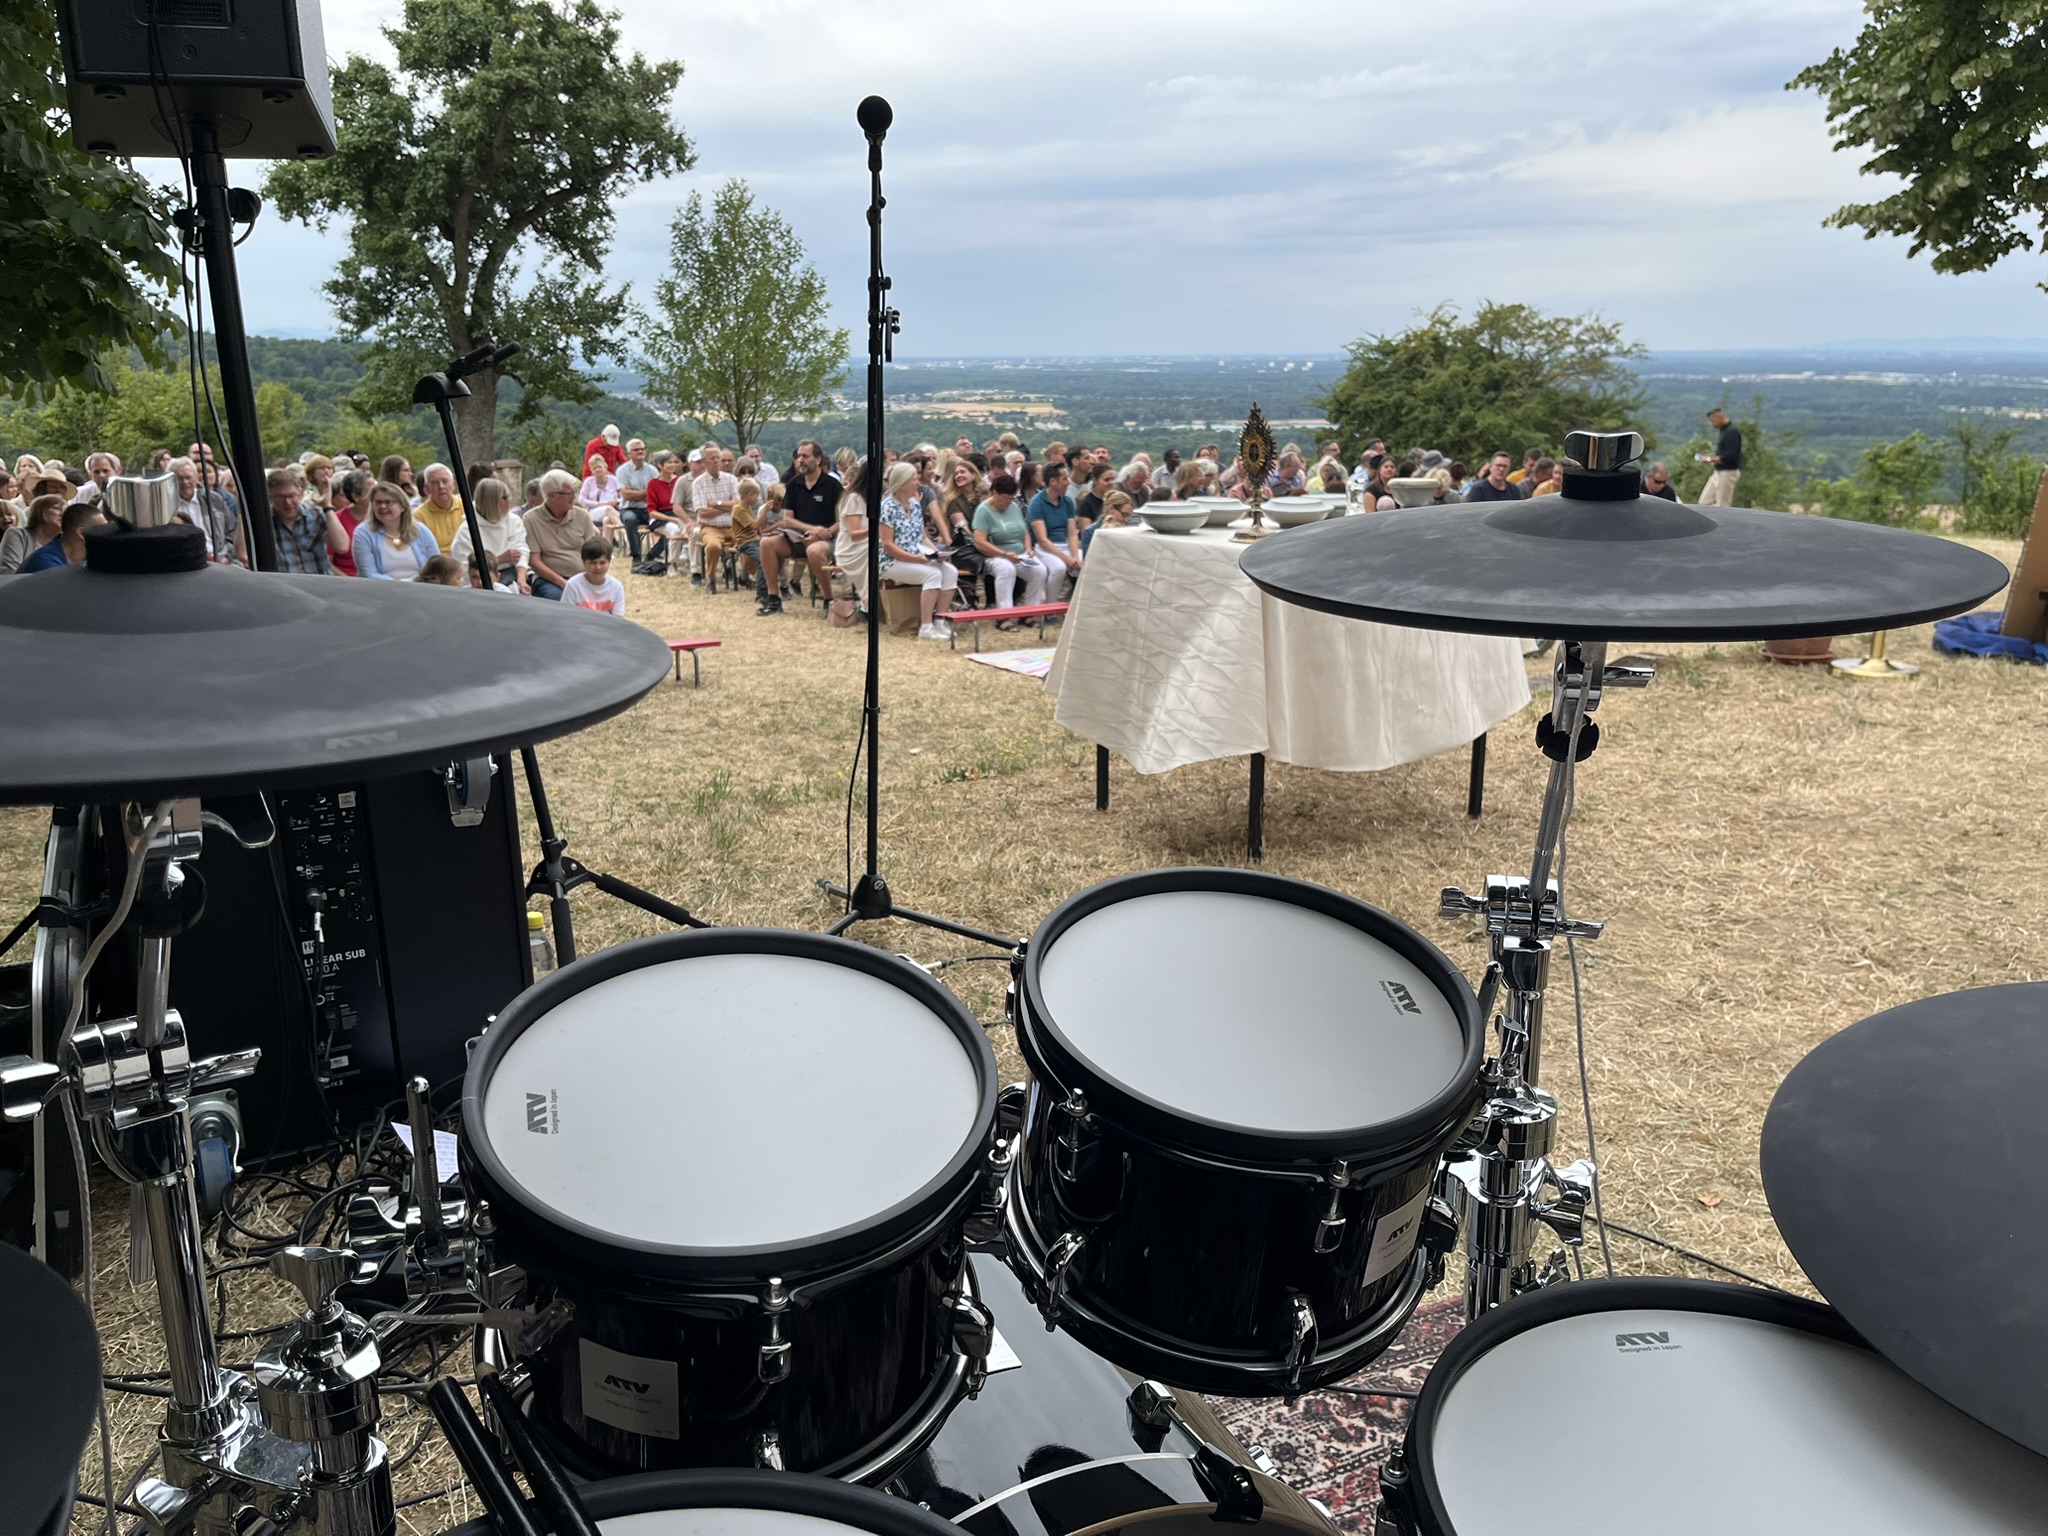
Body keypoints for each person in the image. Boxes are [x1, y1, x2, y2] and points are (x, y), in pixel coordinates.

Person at [877, 462, 957, 640]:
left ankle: (940, 620)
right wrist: (916, 559)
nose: (917, 483)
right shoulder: (887, 507)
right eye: (914, 479)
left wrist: (937, 553)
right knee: (932, 575)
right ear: (903, 483)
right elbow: (888, 545)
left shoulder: (914, 505)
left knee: (951, 572)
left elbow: (923, 537)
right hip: (891, 561)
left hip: (917, 555)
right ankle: (926, 628)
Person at [759, 439, 839, 614]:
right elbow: (788, 519)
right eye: (798, 456)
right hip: (798, 538)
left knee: (815, 551)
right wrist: (810, 530)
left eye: (805, 456)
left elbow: (843, 520)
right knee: (766, 543)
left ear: (818, 460)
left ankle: (828, 599)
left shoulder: (833, 486)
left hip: (827, 541)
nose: (800, 460)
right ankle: (773, 599)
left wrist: (825, 532)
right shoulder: (794, 484)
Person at [971, 472, 1045, 620]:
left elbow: (1024, 532)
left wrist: (1028, 549)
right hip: (994, 555)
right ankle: (1004, 616)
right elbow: (979, 542)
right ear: (994, 493)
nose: (1008, 502)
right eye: (1005, 498)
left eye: (1011, 498)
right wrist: (1004, 554)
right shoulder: (983, 511)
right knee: (1006, 569)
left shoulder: (1014, 506)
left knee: (1039, 570)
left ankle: (1029, 612)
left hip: (1018, 554)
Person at [524, 469, 597, 600]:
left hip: (582, 577)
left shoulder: (582, 516)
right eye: (569, 494)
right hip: (548, 581)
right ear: (552, 496)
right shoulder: (531, 519)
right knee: (559, 600)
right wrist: (563, 583)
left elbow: (593, 554)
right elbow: (534, 561)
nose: (573, 497)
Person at [449, 475, 531, 592]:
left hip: (511, 577)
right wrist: (499, 559)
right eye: (505, 497)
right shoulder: (467, 531)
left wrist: (522, 581)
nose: (510, 500)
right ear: (492, 501)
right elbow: (464, 569)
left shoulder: (514, 521)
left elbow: (522, 551)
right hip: (480, 584)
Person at [266, 467, 351, 574]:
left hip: (319, 584)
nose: (288, 502)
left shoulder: (316, 514)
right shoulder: (265, 522)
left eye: (292, 496)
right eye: (280, 497)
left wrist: (328, 506)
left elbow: (342, 547)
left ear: (300, 493)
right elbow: (243, 555)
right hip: (286, 587)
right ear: (270, 497)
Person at [353, 480, 440, 578]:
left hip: (421, 589)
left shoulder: (421, 530)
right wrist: (401, 585)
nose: (382, 506)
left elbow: (436, 566)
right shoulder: (363, 533)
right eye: (378, 502)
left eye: (388, 502)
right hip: (381, 590)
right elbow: (368, 573)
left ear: (403, 506)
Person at [170, 456, 247, 565]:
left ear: (196, 478)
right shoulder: (168, 506)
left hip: (221, 558)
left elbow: (232, 531)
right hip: (187, 561)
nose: (184, 482)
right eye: (179, 478)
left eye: (188, 477)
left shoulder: (214, 499)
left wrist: (227, 557)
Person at [1028, 464, 1085, 601]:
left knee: (1087, 563)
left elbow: (1072, 533)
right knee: (1058, 568)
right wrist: (1067, 559)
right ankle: (1050, 607)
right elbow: (1042, 539)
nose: (1068, 482)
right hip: (1045, 548)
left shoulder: (1067, 502)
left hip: (1065, 544)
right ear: (1053, 481)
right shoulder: (1037, 503)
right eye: (1065, 479)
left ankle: (1080, 604)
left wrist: (1075, 556)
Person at [18, 501, 105, 571]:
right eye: (102, 529)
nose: (107, 535)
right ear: (82, 533)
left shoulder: (81, 560)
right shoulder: (46, 564)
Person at [831, 460, 870, 612]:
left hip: (864, 545)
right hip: (851, 549)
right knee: (876, 552)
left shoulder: (867, 498)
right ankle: (867, 598)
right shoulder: (854, 498)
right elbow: (854, 534)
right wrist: (876, 530)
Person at [562, 536, 628, 616]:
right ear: (584, 563)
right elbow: (566, 615)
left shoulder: (616, 587)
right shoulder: (573, 585)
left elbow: (618, 618)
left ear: (609, 562)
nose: (598, 567)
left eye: (602, 562)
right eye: (593, 563)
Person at [1, 494, 66, 573]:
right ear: (39, 511)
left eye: (66, 510)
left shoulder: (66, 542)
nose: (63, 514)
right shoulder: (17, 535)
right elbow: (10, 572)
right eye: (56, 508)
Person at [615, 438, 656, 558]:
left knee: (663, 520)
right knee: (630, 520)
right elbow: (626, 496)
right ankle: (636, 555)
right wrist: (646, 492)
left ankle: (654, 553)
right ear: (629, 453)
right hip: (629, 509)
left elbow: (656, 494)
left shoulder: (652, 470)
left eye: (642, 449)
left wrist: (635, 492)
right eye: (636, 450)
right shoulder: (622, 471)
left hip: (649, 508)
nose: (640, 452)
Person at [412, 464, 467, 552]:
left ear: (453, 485)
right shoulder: (418, 516)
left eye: (445, 481)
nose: (441, 486)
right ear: (426, 489)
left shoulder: (467, 507)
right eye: (434, 483)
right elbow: (422, 551)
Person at [330, 469, 371, 576]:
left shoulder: (384, 517)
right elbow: (327, 562)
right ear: (355, 497)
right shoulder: (336, 520)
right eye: (372, 492)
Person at [1699, 408, 1743, 506]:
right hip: (1718, 472)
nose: (1712, 424)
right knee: (1704, 503)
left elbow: (1730, 456)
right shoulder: (1723, 432)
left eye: (1712, 421)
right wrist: (1711, 456)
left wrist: (1710, 459)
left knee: (1722, 505)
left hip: (1728, 473)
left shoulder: (1732, 432)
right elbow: (1722, 453)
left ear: (1719, 417)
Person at [579, 453, 624, 544]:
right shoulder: (589, 482)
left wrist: (616, 501)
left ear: (605, 467)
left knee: (607, 520)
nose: (597, 469)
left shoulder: (614, 480)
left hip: (614, 511)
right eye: (594, 468)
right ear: (591, 470)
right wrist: (598, 503)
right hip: (594, 511)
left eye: (599, 467)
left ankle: (606, 549)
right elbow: (581, 499)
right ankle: (624, 533)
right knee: (608, 509)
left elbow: (623, 497)